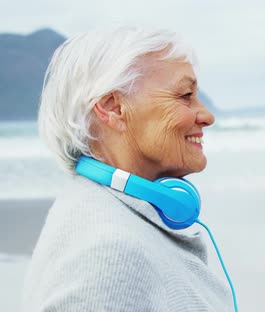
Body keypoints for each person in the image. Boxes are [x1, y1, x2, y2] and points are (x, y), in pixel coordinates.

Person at [21, 26, 235, 311]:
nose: (206, 116)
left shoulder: (101, 211)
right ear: (113, 108)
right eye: (185, 95)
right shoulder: (109, 254)